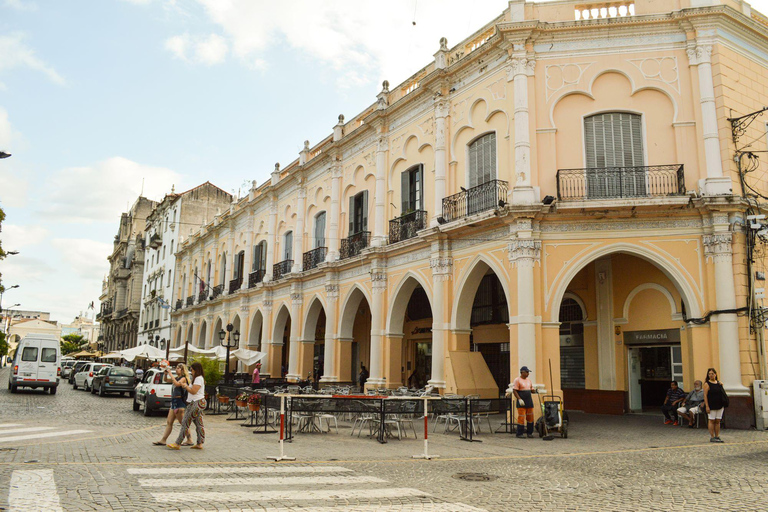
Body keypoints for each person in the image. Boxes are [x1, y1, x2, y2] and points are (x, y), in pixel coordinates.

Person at [167, 361, 206, 450]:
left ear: (196, 370)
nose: (191, 372)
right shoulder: (198, 378)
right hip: (197, 402)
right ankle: (200, 443)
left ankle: (178, 443)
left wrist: (185, 386)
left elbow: (193, 391)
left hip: (196, 403)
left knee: (185, 422)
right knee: (199, 423)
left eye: (192, 370)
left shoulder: (198, 379)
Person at [153, 363, 193, 446]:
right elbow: (167, 380)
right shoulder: (177, 378)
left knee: (183, 423)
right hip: (174, 402)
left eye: (179, 368)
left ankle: (189, 439)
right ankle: (163, 440)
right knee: (169, 422)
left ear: (182, 370)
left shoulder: (183, 379)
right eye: (177, 368)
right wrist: (165, 374)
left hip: (179, 402)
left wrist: (171, 374)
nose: (177, 369)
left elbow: (177, 384)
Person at [703, 368, 727, 443]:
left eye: (712, 374)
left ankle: (717, 435)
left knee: (718, 420)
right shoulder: (707, 384)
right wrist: (707, 405)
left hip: (719, 404)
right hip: (711, 404)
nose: (711, 375)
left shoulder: (719, 383)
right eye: (709, 374)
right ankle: (712, 436)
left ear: (715, 374)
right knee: (711, 420)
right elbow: (705, 395)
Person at [512, 366, 536, 438]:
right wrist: (519, 399)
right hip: (522, 402)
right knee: (521, 418)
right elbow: (514, 390)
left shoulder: (529, 381)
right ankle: (519, 433)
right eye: (527, 372)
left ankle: (530, 433)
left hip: (529, 402)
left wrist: (534, 391)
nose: (528, 374)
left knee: (530, 417)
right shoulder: (517, 380)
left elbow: (531, 389)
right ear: (522, 372)